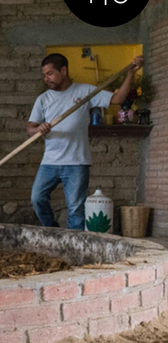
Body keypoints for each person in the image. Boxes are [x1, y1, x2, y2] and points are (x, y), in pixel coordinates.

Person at [28, 53, 144, 229]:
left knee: (76, 208)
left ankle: (74, 246)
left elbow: (117, 99)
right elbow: (30, 129)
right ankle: (52, 230)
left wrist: (130, 74)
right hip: (49, 162)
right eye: (44, 75)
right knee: (37, 199)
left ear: (64, 70)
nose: (46, 79)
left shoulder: (85, 91)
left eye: (50, 73)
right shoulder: (43, 99)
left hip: (76, 162)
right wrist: (38, 129)